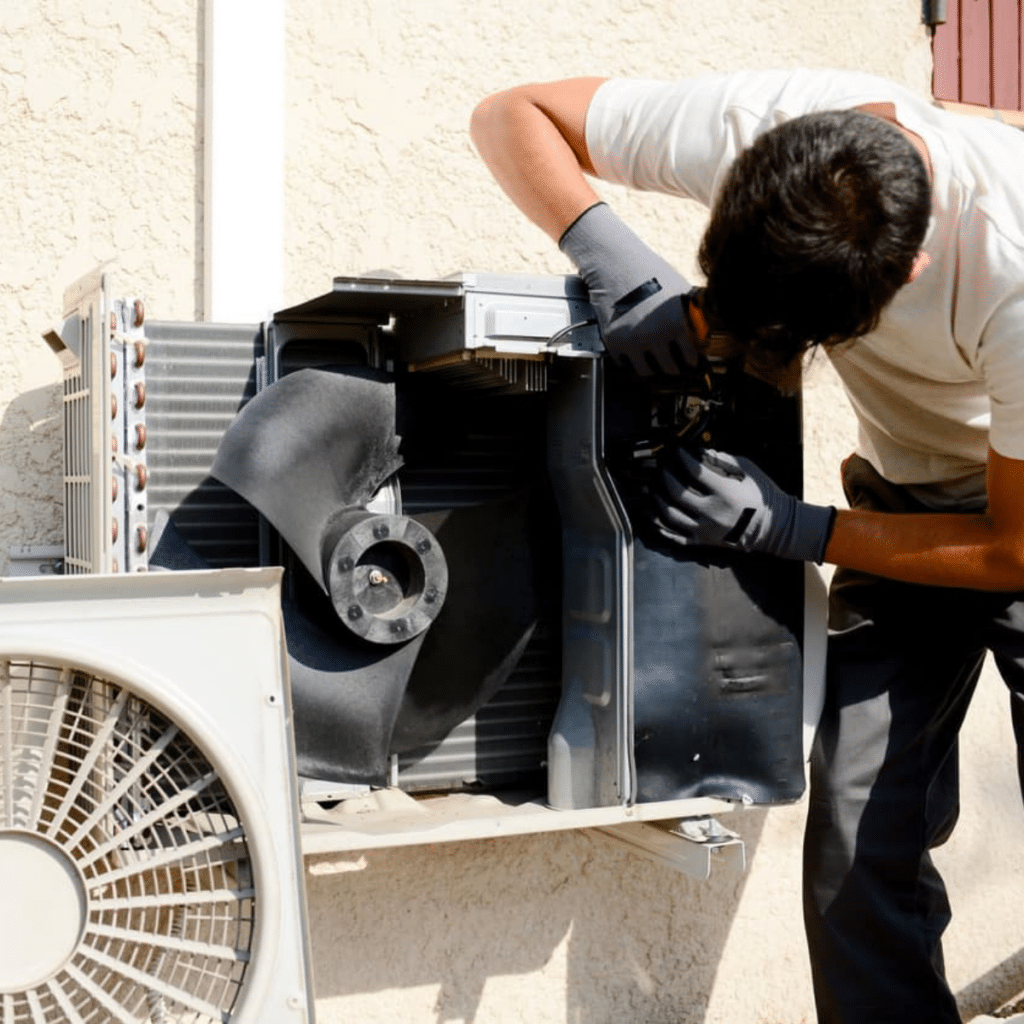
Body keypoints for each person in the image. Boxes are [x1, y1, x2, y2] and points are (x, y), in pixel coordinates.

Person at [470, 68, 1024, 1024]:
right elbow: (510, 114)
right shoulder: (770, 130)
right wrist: (612, 255)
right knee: (858, 836)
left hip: (1015, 526)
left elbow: (1012, 552)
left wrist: (795, 529)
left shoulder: (1011, 270)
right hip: (906, 502)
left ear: (908, 273)